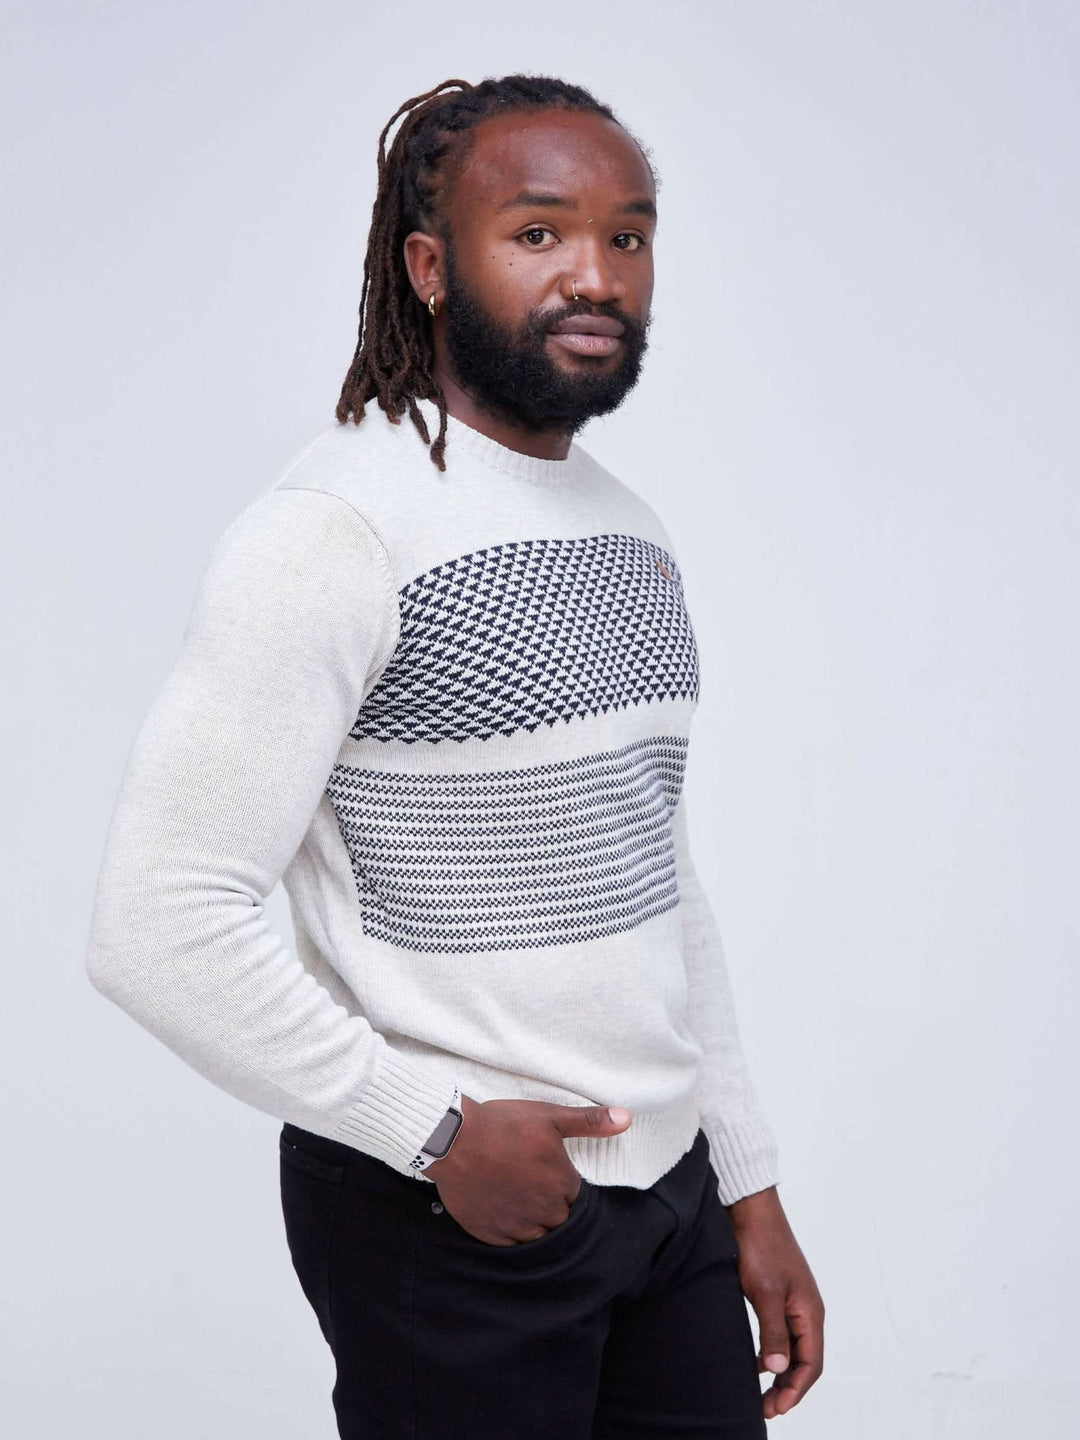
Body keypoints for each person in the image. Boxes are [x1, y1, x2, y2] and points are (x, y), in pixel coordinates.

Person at [86, 73, 824, 1439]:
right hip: (452, 1208)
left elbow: (656, 879)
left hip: (669, 1209)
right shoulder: (333, 531)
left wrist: (745, 1182)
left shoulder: (631, 531)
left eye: (627, 235)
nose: (594, 275)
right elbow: (157, 921)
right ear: (430, 268)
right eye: (537, 233)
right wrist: (431, 1129)